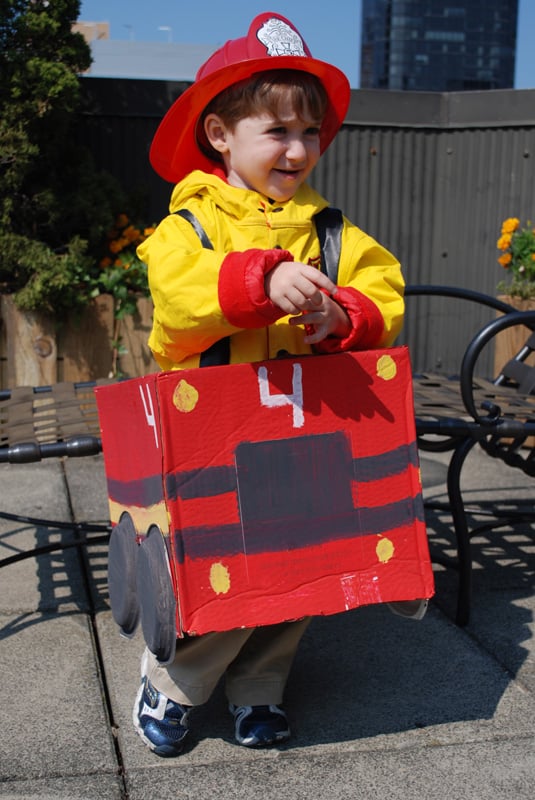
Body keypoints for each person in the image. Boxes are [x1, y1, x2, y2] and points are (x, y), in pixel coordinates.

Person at [134, 11, 405, 757]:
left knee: (301, 571)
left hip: (306, 424)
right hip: (212, 430)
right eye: (277, 132)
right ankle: (175, 683)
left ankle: (261, 692)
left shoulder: (329, 229)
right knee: (224, 571)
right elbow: (179, 296)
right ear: (221, 135)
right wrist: (261, 276)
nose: (297, 150)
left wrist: (343, 315)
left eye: (309, 133)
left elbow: (381, 288)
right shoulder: (189, 225)